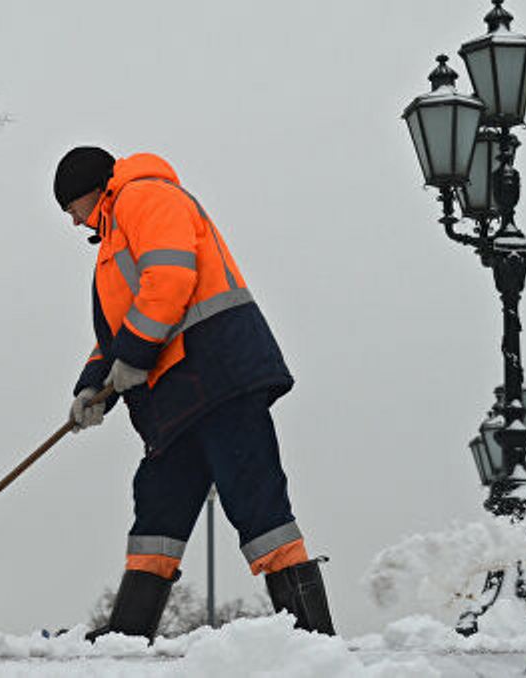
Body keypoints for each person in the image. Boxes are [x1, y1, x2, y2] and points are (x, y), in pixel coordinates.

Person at [54, 146, 335, 641]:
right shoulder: (114, 234)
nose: (75, 223)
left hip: (219, 376)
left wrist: (135, 355)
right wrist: (91, 387)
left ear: (90, 193)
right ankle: (128, 636)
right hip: (178, 396)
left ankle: (310, 639)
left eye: (72, 210)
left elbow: (170, 279)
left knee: (255, 499)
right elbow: (118, 330)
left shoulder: (144, 198)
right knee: (159, 505)